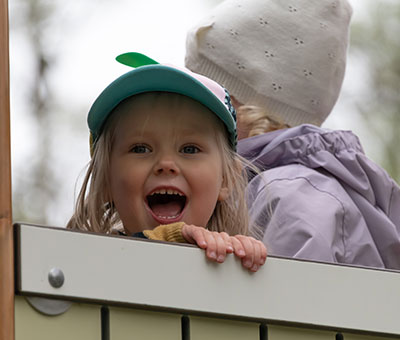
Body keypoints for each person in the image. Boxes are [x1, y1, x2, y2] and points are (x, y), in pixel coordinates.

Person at [185, 0, 400, 269]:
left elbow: (288, 305)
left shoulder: (291, 195)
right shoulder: (262, 185)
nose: (188, 111)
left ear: (252, 109)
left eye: (209, 95)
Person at [67, 52, 266, 272]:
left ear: (226, 180)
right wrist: (172, 237)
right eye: (140, 149)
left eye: (190, 149)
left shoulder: (230, 262)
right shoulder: (88, 268)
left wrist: (242, 267)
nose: (166, 163)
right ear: (105, 180)